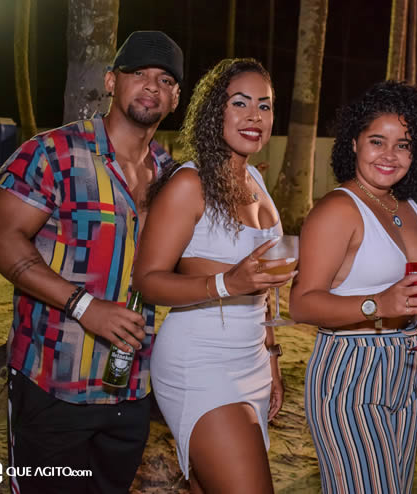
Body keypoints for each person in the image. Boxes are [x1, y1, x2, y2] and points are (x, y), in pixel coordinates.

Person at [0, 31, 183, 493]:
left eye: (165, 79)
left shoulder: (171, 177)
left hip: (131, 388)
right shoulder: (54, 152)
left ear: (175, 98)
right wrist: (84, 306)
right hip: (53, 384)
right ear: (111, 81)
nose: (152, 85)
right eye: (138, 73)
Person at [132, 58, 292, 494]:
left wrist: (272, 359)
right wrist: (227, 283)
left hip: (252, 360)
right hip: (200, 361)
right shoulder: (190, 184)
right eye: (240, 103)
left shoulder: (255, 180)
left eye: (264, 105)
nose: (254, 116)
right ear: (213, 111)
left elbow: (262, 287)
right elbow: (147, 279)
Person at [289, 80, 417, 494]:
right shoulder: (337, 209)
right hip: (350, 367)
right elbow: (301, 304)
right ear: (355, 143)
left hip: (406, 365)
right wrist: (379, 303)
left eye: (403, 145)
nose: (389, 155)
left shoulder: (408, 204)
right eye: (377, 141)